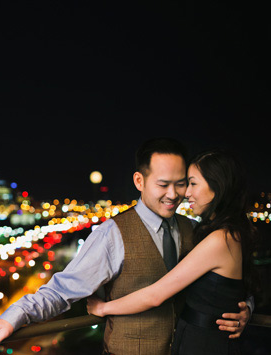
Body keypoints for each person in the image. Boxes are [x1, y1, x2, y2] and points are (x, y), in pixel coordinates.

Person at [0, 138, 251, 355]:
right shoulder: (111, 233)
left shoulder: (194, 230)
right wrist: (12, 318)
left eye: (181, 184)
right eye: (163, 184)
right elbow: (63, 289)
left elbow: (223, 283)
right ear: (139, 181)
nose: (174, 194)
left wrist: (244, 309)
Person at [86, 148, 258, 354]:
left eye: (193, 183)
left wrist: (103, 308)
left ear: (217, 186)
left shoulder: (221, 239)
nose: (186, 193)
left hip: (204, 344)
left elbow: (155, 295)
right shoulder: (226, 233)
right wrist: (247, 307)